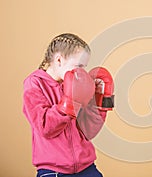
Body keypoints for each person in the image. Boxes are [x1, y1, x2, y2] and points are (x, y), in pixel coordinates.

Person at [23, 33, 114, 177]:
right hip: (53, 170)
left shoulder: (77, 84)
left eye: (84, 67)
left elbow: (89, 130)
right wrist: (68, 103)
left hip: (86, 167)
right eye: (78, 66)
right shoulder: (34, 83)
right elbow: (45, 127)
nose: (81, 71)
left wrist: (99, 101)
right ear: (59, 60)